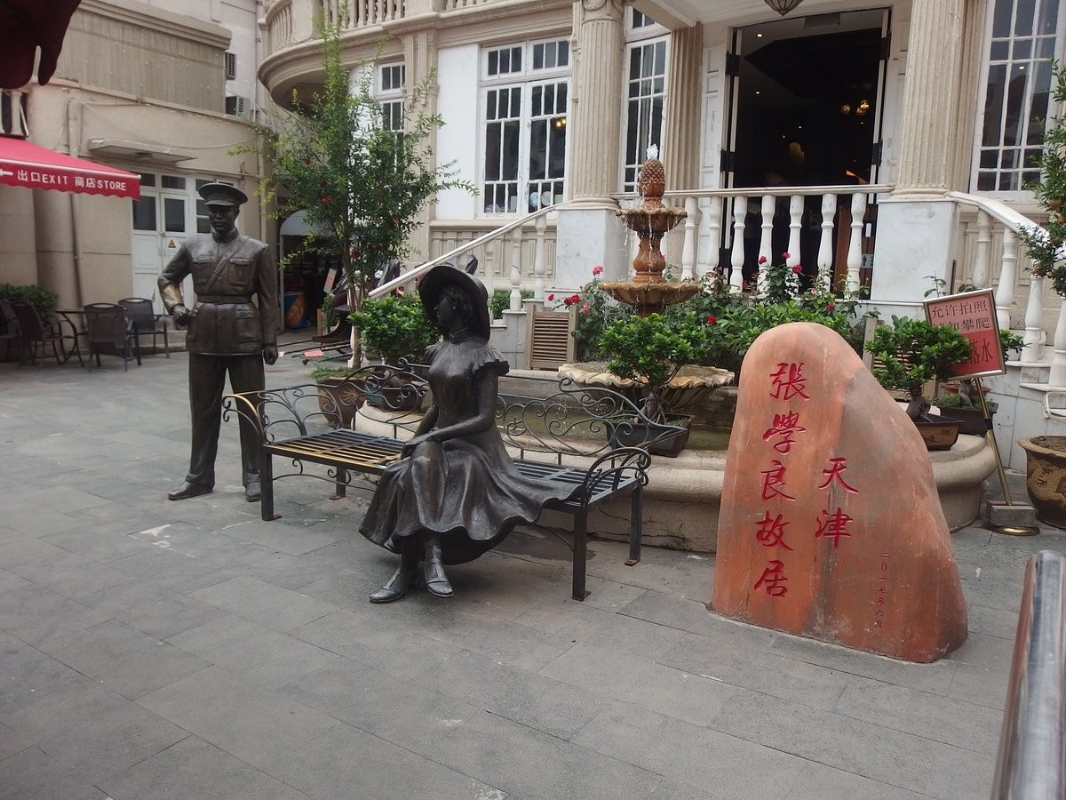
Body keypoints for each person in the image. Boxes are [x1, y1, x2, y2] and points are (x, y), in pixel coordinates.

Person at [360, 265, 575, 602]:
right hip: (438, 445)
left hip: (475, 448)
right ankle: (431, 554)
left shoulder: (484, 356)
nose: (435, 308)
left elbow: (485, 418)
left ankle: (406, 571)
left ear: (459, 305)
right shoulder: (437, 351)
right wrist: (416, 439)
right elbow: (435, 408)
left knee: (415, 472)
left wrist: (432, 438)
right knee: (415, 465)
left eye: (442, 302)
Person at [158, 182, 279, 502]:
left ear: (236, 212)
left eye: (224, 211)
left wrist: (269, 340)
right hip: (203, 335)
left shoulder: (257, 250)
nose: (217, 216)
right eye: (212, 210)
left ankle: (254, 475)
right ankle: (199, 477)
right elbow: (167, 278)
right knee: (202, 410)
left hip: (244, 336)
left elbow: (269, 299)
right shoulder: (192, 246)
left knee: (251, 409)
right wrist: (176, 306)